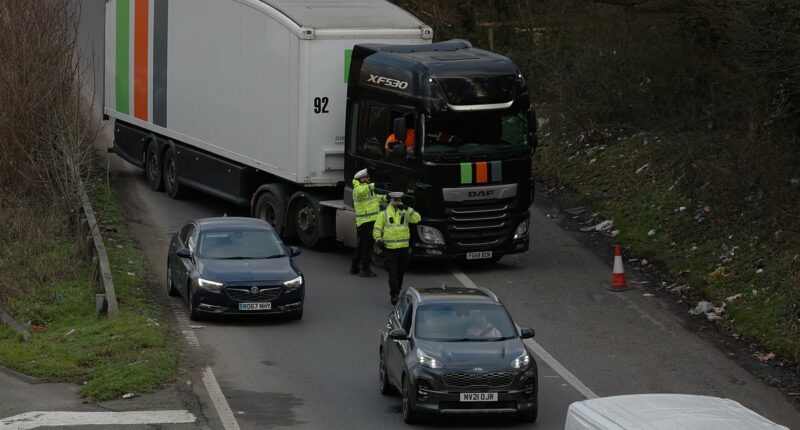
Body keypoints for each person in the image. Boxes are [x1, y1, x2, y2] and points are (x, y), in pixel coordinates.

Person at [373, 192, 421, 304]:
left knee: (401, 272)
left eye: (399, 200)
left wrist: (408, 208)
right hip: (390, 249)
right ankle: (394, 294)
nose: (397, 202)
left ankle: (397, 289)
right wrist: (378, 240)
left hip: (403, 248)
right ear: (391, 200)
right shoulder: (383, 214)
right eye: (395, 200)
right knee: (393, 273)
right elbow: (376, 229)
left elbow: (418, 218)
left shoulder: (405, 212)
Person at [350, 168, 386, 277]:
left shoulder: (366, 188)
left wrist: (386, 197)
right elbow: (360, 192)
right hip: (366, 222)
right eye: (367, 177)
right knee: (367, 247)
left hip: (367, 221)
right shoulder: (357, 189)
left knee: (361, 245)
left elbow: (375, 199)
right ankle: (365, 270)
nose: (369, 179)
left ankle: (354, 267)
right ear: (361, 179)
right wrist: (373, 185)